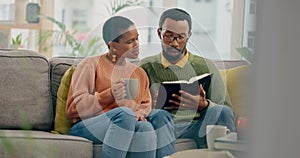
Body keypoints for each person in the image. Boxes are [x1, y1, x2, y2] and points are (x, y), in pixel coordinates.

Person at [66, 16, 175, 158]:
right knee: (125, 114)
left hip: (128, 122)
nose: (137, 45)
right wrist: (109, 94)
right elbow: (73, 108)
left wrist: (140, 114)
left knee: (148, 124)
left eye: (137, 38)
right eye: (130, 41)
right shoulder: (90, 65)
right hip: (87, 126)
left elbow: (145, 104)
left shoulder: (138, 73)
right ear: (113, 45)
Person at [139, 8, 236, 148]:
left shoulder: (206, 66)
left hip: (197, 127)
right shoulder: (146, 66)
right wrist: (149, 106)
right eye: (169, 36)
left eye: (181, 37)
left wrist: (204, 105)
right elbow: (134, 107)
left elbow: (226, 111)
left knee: (222, 111)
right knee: (159, 115)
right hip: (162, 125)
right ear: (159, 33)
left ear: (189, 35)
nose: (174, 43)